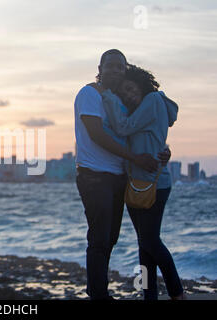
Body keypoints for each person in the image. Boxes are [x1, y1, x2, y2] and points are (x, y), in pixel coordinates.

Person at [74, 49, 171, 300]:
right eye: (111, 66)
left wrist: (162, 151)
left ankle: (105, 291)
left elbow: (142, 134)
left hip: (120, 176)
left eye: (121, 67)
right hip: (95, 176)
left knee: (111, 238)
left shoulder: (119, 101)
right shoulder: (89, 94)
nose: (115, 71)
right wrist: (136, 158)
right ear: (100, 68)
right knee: (99, 239)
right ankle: (98, 294)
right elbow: (97, 135)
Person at [100, 64, 185, 300]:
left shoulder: (153, 100)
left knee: (149, 240)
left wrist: (106, 93)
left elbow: (123, 128)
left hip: (154, 183)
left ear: (141, 83)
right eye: (123, 93)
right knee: (144, 243)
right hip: (138, 182)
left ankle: (178, 293)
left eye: (129, 88)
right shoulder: (142, 109)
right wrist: (165, 151)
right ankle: (150, 296)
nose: (128, 94)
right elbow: (147, 141)